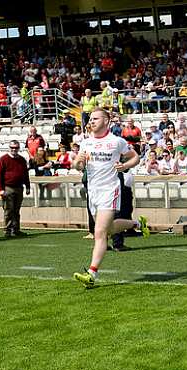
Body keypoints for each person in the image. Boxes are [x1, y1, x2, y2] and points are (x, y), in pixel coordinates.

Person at [72, 109, 150, 289]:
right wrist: (78, 161)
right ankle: (137, 224)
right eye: (90, 119)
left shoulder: (117, 141)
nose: (91, 121)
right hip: (93, 192)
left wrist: (125, 166)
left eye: (95, 118)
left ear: (107, 121)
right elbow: (78, 166)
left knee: (99, 233)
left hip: (110, 190)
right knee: (107, 230)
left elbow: (135, 157)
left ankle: (91, 273)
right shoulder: (86, 142)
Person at [0, 141, 30, 237]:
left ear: (18, 148)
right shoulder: (3, 159)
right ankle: (7, 230)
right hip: (8, 188)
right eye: (12, 147)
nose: (14, 149)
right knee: (8, 210)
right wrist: (1, 189)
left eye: (16, 147)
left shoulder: (22, 160)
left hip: (19, 188)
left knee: (16, 210)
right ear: (9, 147)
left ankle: (16, 229)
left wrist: (27, 186)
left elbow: (25, 174)